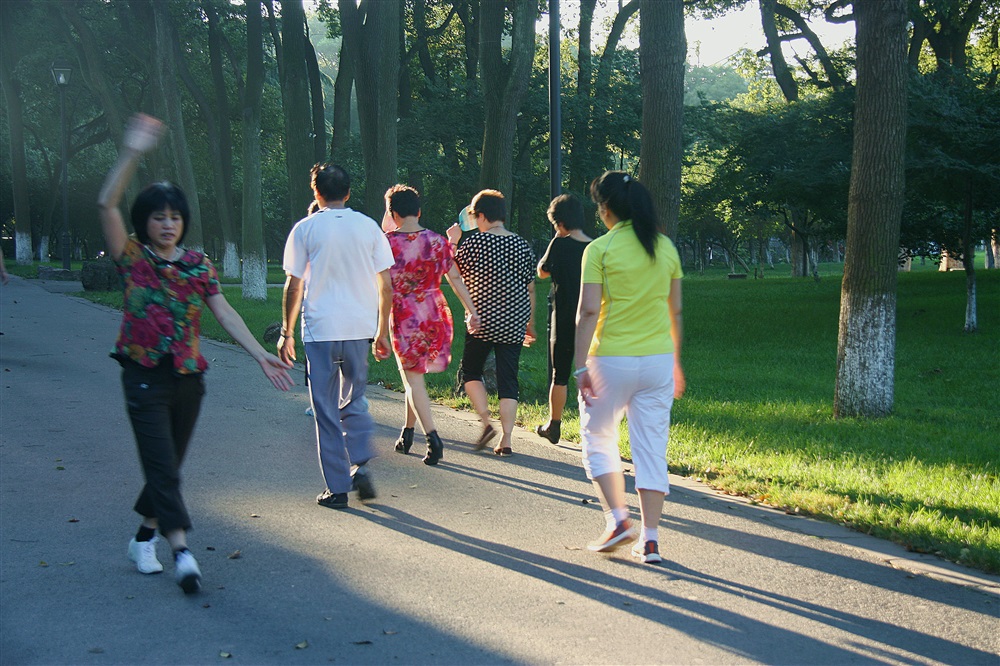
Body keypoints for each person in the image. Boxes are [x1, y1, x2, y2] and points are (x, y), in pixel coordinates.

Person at [97, 114, 294, 594]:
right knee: (163, 466)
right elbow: (106, 203)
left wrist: (259, 354)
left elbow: (225, 313)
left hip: (188, 379)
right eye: (158, 217)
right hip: (142, 375)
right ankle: (182, 551)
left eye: (175, 217)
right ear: (145, 221)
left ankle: (143, 538)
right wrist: (132, 152)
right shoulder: (131, 257)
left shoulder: (197, 265)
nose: (167, 224)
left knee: (167, 465)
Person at [574, 171, 685, 565]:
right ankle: (650, 540)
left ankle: (618, 520)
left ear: (605, 209)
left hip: (611, 361)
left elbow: (588, 311)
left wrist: (579, 367)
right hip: (658, 361)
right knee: (651, 448)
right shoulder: (665, 248)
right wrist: (675, 363)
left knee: (598, 437)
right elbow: (675, 310)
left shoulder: (600, 249)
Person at [279, 164, 395, 510]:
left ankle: (337, 488)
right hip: (359, 330)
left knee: (326, 411)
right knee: (354, 401)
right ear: (348, 192)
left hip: (320, 331)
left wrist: (287, 332)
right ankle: (360, 463)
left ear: (316, 193)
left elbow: (294, 285)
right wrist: (382, 331)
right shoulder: (368, 227)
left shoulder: (305, 228)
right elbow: (386, 285)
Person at [382, 185, 480, 465]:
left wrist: (380, 328)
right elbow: (455, 278)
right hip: (434, 313)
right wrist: (471, 310)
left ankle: (432, 438)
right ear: (419, 211)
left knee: (412, 379)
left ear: (393, 213)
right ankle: (407, 432)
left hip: (405, 315)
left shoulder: (387, 243)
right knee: (415, 378)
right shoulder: (437, 241)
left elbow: (384, 289)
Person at [446, 190, 536, 456]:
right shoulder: (521, 245)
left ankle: (486, 422)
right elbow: (530, 287)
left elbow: (451, 272)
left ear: (481, 216)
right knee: (509, 379)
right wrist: (530, 322)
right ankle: (506, 440)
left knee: (471, 371)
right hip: (514, 320)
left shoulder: (474, 243)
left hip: (481, 320)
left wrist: (453, 242)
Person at [535, 194, 591, 445]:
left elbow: (542, 272)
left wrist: (554, 241)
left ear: (559, 222)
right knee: (592, 371)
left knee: (560, 373)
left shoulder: (559, 244)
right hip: (592, 318)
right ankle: (594, 427)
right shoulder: (595, 247)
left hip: (564, 317)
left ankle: (554, 424)